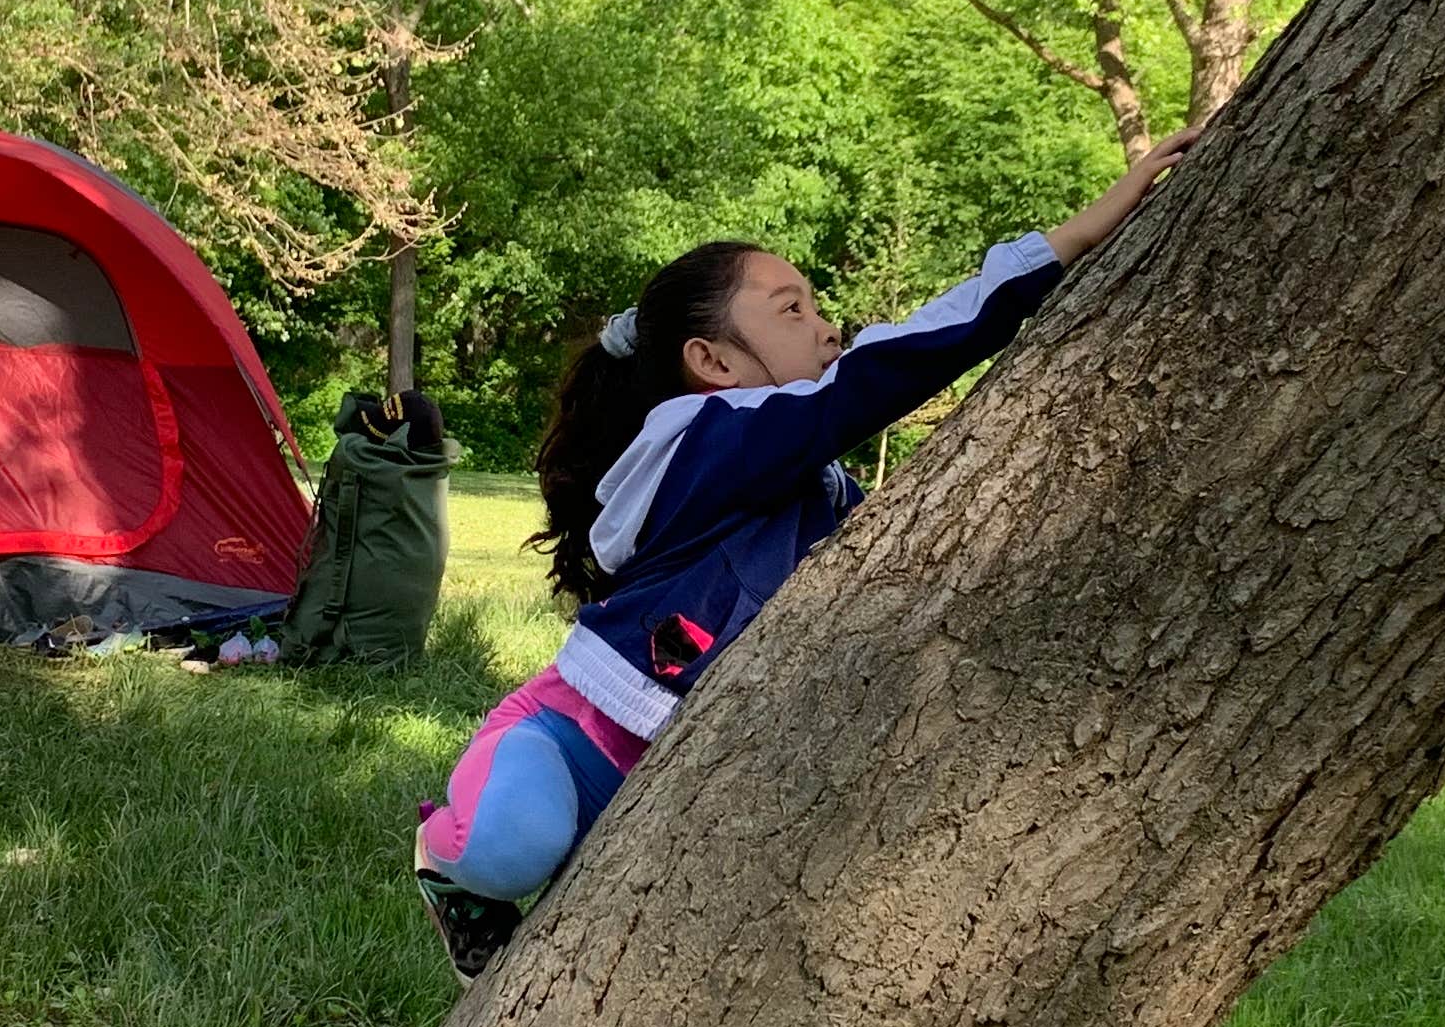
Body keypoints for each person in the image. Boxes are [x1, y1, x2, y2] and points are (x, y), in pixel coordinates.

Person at [416, 137, 1189, 975]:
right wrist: (1064, 244)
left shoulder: (812, 482)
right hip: (575, 739)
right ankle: (448, 867)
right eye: (791, 310)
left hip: (699, 781)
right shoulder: (698, 439)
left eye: (817, 308)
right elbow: (875, 377)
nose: (827, 329)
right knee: (508, 845)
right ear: (711, 363)